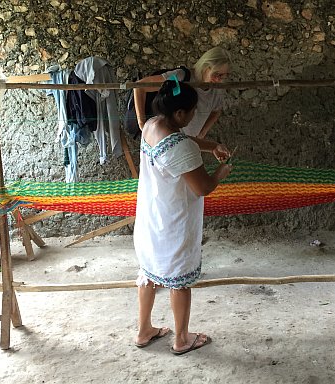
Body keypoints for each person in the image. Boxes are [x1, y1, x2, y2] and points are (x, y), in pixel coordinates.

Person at [133, 79, 232, 355]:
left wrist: (210, 144)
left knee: (149, 274)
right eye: (191, 112)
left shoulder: (152, 125)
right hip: (174, 223)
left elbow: (182, 139)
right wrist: (220, 173)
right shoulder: (180, 147)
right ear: (180, 114)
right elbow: (203, 187)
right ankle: (181, 339)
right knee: (179, 281)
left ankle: (144, 331)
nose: (193, 117)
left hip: (151, 219)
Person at [133, 46, 232, 138]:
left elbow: (216, 110)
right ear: (206, 67)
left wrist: (202, 132)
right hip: (165, 141)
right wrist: (142, 123)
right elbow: (140, 87)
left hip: (189, 143)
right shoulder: (181, 77)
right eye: (217, 74)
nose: (219, 80)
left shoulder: (217, 89)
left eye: (224, 76)